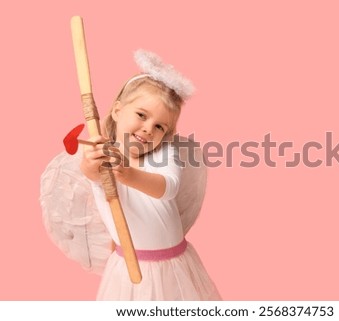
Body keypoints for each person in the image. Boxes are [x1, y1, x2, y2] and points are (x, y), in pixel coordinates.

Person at [40, 50, 221, 300]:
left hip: (173, 263)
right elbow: (89, 172)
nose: (148, 128)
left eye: (160, 126)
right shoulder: (102, 154)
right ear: (117, 110)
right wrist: (92, 164)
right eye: (141, 115)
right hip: (129, 267)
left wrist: (128, 174)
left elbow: (168, 187)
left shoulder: (164, 153)